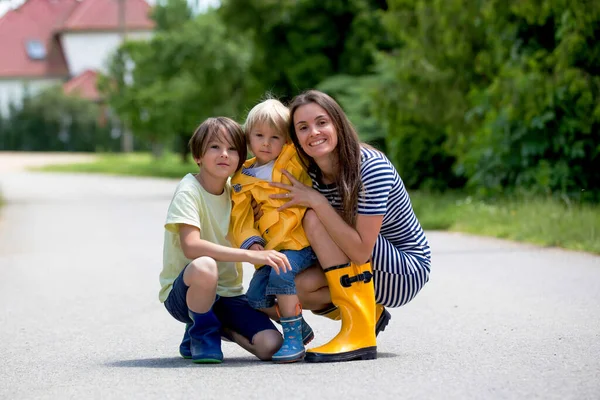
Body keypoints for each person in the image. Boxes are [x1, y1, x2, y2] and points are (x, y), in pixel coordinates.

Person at [270, 90, 432, 363]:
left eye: (322, 122)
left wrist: (318, 202)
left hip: (403, 269)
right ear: (295, 138)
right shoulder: (310, 171)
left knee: (314, 215)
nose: (314, 132)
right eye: (303, 127)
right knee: (292, 289)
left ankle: (358, 333)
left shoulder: (370, 167)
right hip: (361, 266)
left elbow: (359, 251)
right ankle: (370, 314)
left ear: (337, 124)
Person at [159, 116, 292, 364]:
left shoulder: (238, 192)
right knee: (205, 265)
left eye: (232, 149)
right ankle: (202, 333)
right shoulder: (189, 190)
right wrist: (251, 255)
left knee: (270, 346)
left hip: (228, 295)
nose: (224, 155)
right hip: (185, 294)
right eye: (214, 147)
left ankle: (215, 324)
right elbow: (191, 246)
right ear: (198, 156)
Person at [230, 99, 317, 363]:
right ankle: (298, 324)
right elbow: (240, 218)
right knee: (256, 297)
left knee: (282, 273)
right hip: (270, 248)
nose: (266, 143)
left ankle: (292, 338)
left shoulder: (291, 162)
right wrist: (251, 243)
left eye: (274, 137)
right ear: (248, 137)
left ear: (286, 140)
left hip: (298, 242)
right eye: (259, 136)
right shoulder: (242, 178)